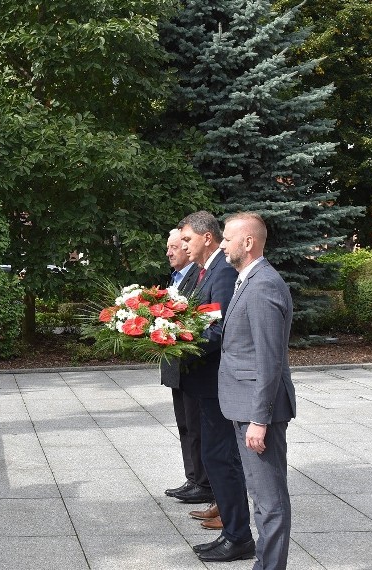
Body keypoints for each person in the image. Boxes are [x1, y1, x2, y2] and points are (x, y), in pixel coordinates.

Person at [219, 212, 296, 570]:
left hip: (256, 410)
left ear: (247, 243)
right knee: (261, 497)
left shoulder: (263, 284)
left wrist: (259, 420)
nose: (221, 244)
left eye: (226, 238)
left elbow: (270, 360)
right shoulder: (248, 279)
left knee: (270, 501)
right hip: (243, 405)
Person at [177, 211, 254, 563]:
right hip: (204, 381)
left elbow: (219, 329)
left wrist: (177, 339)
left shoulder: (221, 271)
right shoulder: (206, 270)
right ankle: (232, 528)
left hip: (216, 381)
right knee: (215, 455)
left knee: (221, 458)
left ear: (206, 238)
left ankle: (237, 535)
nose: (182, 246)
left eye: (188, 240)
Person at [160, 229, 209, 509]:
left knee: (196, 426)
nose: (169, 252)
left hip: (193, 365)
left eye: (175, 246)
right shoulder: (175, 277)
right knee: (184, 425)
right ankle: (193, 478)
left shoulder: (197, 275)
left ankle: (201, 481)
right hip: (177, 366)